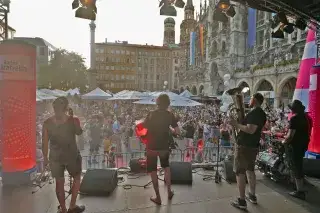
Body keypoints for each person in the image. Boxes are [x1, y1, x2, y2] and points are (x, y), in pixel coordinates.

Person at [42, 97, 85, 213]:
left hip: (56, 158)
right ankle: (72, 206)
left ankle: (63, 209)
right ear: (66, 108)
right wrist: (73, 116)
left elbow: (45, 143)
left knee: (59, 182)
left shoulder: (47, 123)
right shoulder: (73, 120)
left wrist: (45, 158)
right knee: (76, 178)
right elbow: (79, 132)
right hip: (72, 155)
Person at [229, 93, 266, 210]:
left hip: (245, 146)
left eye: (250, 98)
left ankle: (241, 200)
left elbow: (250, 130)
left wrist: (236, 124)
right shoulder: (261, 113)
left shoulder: (255, 113)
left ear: (254, 100)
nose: (249, 100)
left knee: (240, 172)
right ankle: (252, 195)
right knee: (250, 170)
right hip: (252, 146)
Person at [143, 94, 180, 205]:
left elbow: (144, 127)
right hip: (164, 147)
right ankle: (169, 192)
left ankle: (158, 197)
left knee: (153, 170)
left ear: (157, 103)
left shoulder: (151, 114)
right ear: (168, 103)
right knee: (166, 167)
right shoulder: (170, 115)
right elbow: (177, 132)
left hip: (151, 147)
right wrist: (170, 130)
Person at [282, 100, 312, 200]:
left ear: (294, 110)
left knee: (295, 166)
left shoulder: (294, 119)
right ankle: (301, 185)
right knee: (299, 164)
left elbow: (290, 136)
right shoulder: (307, 117)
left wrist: (284, 142)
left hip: (295, 146)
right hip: (304, 144)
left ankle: (299, 191)